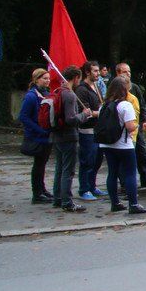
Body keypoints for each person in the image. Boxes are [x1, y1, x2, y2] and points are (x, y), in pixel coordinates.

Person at [99, 76, 146, 214]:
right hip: (123, 144)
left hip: (107, 144)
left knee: (112, 173)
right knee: (130, 173)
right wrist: (137, 125)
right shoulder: (125, 105)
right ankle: (133, 204)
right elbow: (130, 126)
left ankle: (115, 203)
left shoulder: (104, 105)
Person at [51, 65, 93, 211]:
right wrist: (84, 115)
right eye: (79, 79)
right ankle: (67, 202)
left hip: (57, 135)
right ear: (75, 78)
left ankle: (58, 198)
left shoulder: (58, 91)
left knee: (60, 168)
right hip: (68, 136)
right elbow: (71, 119)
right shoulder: (69, 95)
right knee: (68, 170)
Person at [114, 63, 146, 188]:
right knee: (124, 156)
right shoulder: (114, 88)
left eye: (129, 71)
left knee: (142, 152)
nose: (128, 74)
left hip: (136, 125)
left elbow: (142, 104)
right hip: (121, 128)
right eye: (125, 72)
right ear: (118, 73)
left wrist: (145, 120)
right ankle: (125, 183)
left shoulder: (134, 88)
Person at [19, 68, 54, 204]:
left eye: (48, 78)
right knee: (38, 165)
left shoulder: (46, 94)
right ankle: (37, 193)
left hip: (46, 135)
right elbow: (24, 116)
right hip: (37, 136)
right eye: (44, 78)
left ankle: (42, 189)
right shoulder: (31, 96)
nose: (47, 81)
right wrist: (39, 130)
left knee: (42, 164)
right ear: (36, 79)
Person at [74, 60, 104, 201]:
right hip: (87, 131)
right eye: (95, 71)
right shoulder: (81, 89)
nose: (98, 73)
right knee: (87, 161)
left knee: (97, 160)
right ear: (87, 72)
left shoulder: (96, 86)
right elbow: (85, 111)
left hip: (98, 130)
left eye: (98, 71)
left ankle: (92, 186)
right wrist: (101, 113)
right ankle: (84, 189)